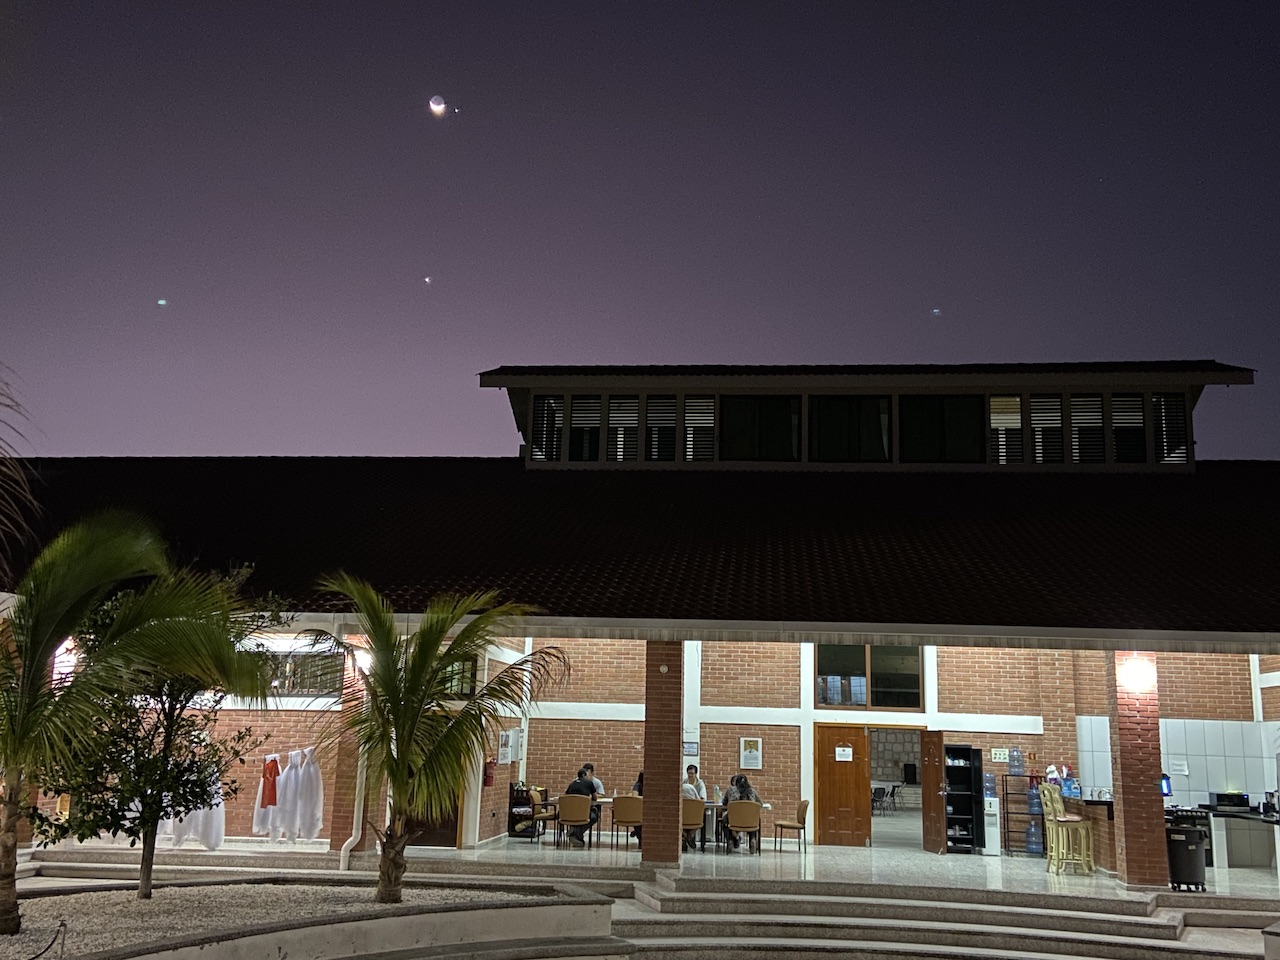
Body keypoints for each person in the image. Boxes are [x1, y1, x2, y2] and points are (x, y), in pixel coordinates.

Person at [722, 773, 762, 850]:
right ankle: (752, 839)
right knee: (754, 819)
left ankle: (730, 840)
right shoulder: (752, 791)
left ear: (735, 782)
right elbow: (760, 804)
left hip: (734, 820)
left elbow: (724, 802)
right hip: (749, 820)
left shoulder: (731, 790)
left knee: (724, 821)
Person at [563, 767, 598, 847]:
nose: (589, 777)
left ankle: (576, 834)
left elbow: (565, 796)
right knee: (594, 816)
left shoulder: (572, 784)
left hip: (570, 813)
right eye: (588, 775)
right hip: (583, 812)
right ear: (583, 775)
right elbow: (595, 797)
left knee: (583, 817)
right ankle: (576, 832)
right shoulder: (589, 783)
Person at [681, 764, 706, 851]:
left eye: (692, 773)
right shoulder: (683, 782)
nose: (690, 775)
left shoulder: (700, 783)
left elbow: (702, 798)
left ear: (696, 774)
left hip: (695, 810)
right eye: (689, 773)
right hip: (684, 810)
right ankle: (688, 837)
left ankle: (687, 837)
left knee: (697, 818)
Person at [630, 770, 644, 847]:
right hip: (639, 809)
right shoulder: (638, 785)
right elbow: (634, 795)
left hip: (642, 811)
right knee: (637, 818)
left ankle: (637, 833)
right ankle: (639, 835)